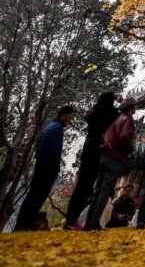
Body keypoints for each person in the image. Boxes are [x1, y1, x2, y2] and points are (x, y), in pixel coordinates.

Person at [14, 105, 76, 231]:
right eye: (71, 115)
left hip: (40, 165)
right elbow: (55, 150)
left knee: (32, 195)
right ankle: (25, 225)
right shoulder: (58, 128)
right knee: (38, 197)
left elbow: (39, 146)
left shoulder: (49, 126)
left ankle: (21, 224)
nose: (72, 118)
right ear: (64, 114)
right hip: (48, 167)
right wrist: (56, 166)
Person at [64, 92, 119, 229]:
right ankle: (90, 222)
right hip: (101, 151)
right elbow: (118, 116)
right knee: (97, 187)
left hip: (88, 149)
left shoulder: (93, 114)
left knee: (81, 187)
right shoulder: (111, 114)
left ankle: (70, 221)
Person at [84, 98, 137, 231]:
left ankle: (88, 222)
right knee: (106, 190)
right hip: (115, 157)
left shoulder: (117, 118)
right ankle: (95, 222)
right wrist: (129, 148)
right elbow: (124, 136)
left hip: (103, 155)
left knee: (98, 190)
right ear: (132, 107)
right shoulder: (128, 118)